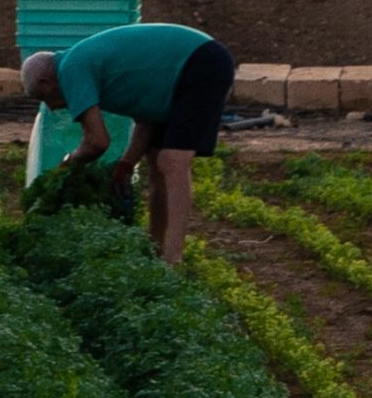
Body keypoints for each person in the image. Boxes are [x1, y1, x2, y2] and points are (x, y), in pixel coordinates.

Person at [21, 23, 236, 263]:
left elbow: (97, 142)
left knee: (173, 161)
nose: (50, 107)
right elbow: (145, 122)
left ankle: (173, 258)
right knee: (156, 163)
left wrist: (68, 164)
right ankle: (154, 247)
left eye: (43, 98)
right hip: (180, 74)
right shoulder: (83, 65)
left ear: (45, 82)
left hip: (200, 63)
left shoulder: (71, 69)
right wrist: (126, 164)